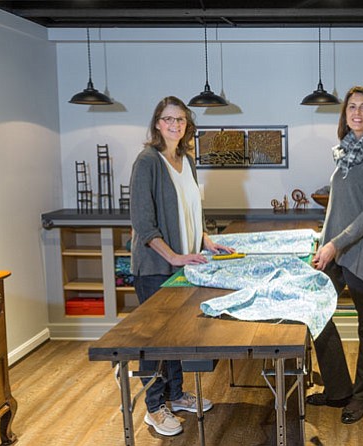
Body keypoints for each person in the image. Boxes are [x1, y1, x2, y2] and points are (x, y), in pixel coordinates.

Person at [129, 96, 234, 436]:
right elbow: (144, 224)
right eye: (168, 119)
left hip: (183, 265)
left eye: (180, 120)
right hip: (156, 267)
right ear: (157, 123)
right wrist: (173, 256)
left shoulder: (186, 159)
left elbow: (190, 209)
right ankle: (155, 408)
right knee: (155, 341)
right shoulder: (147, 162)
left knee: (175, 338)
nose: (175, 125)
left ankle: (175, 395)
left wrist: (205, 239)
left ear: (187, 125)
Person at [308, 86, 363, 424]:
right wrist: (323, 240)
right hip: (339, 248)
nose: (356, 113)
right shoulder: (345, 152)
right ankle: (338, 389)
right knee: (317, 313)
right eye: (351, 108)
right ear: (345, 115)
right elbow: (340, 206)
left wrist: (334, 244)